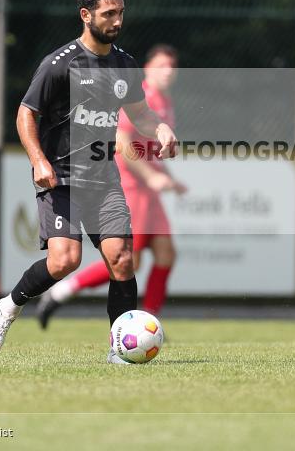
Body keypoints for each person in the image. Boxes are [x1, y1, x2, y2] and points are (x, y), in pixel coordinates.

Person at [0, 0, 178, 363]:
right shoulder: (59, 64)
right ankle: (10, 304)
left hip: (104, 180)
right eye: (109, 14)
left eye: (121, 12)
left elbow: (138, 113)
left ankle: (119, 351)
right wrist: (38, 160)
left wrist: (159, 127)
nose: (117, 21)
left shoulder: (124, 64)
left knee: (122, 259)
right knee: (64, 261)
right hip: (61, 179)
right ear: (86, 15)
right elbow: (26, 114)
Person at [35, 44, 187, 327]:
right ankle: (62, 291)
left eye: (172, 68)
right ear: (148, 67)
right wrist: (151, 177)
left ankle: (151, 322)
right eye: (161, 66)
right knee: (127, 259)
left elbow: (151, 149)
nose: (168, 73)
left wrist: (166, 177)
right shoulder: (140, 93)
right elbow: (122, 141)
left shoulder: (165, 101)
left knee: (166, 253)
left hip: (150, 191)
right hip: (133, 185)